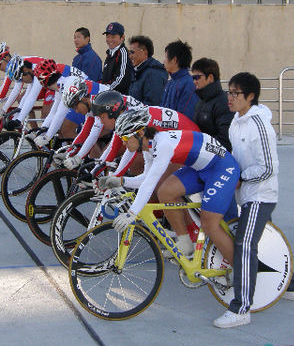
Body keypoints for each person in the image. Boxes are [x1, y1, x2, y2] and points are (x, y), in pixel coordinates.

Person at [213, 72, 294, 329]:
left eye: (235, 94)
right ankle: (291, 286)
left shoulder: (259, 125)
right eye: (228, 92)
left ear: (250, 97)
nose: (229, 98)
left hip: (260, 196)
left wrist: (240, 178)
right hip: (247, 194)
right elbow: (234, 155)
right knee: (264, 241)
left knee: (244, 244)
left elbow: (268, 168)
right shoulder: (236, 121)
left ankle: (241, 308)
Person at [101, 108, 240, 263]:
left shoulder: (163, 145)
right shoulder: (149, 146)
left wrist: (132, 213)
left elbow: (150, 182)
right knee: (166, 192)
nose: (123, 142)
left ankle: (240, 273)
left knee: (210, 225)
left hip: (221, 167)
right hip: (201, 168)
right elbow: (145, 178)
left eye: (126, 138)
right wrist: (121, 181)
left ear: (140, 133)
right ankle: (186, 245)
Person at [191, 57, 233, 150]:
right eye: (193, 78)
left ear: (210, 78)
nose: (194, 81)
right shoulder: (200, 102)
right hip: (202, 156)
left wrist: (200, 145)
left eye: (197, 77)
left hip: (218, 159)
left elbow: (225, 140)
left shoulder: (224, 102)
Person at [160, 39, 198, 120]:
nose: (163, 61)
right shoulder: (171, 82)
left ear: (174, 60)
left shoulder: (188, 84)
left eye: (166, 57)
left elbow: (186, 118)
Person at [128, 35, 168, 106]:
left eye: (132, 52)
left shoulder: (154, 73)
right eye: (129, 53)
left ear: (144, 52)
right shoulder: (137, 70)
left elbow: (152, 105)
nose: (130, 56)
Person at [101, 22, 134, 95]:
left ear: (122, 38)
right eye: (107, 36)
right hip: (107, 97)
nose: (109, 40)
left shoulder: (123, 53)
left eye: (113, 37)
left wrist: (104, 91)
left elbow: (121, 80)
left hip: (117, 99)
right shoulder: (110, 53)